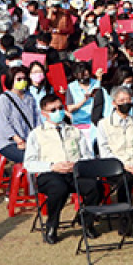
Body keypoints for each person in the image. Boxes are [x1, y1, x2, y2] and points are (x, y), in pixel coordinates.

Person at [24, 94, 102, 245]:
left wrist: (77, 164)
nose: (58, 112)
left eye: (60, 108)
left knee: (95, 186)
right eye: (53, 109)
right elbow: (29, 163)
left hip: (74, 171)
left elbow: (87, 155)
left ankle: (87, 222)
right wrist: (52, 166)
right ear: (44, 113)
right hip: (50, 174)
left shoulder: (74, 131)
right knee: (59, 188)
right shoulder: (36, 134)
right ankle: (52, 225)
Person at [0, 66, 39, 164]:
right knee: (30, 159)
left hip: (29, 140)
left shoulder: (30, 97)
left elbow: (37, 118)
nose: (22, 81)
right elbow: (3, 123)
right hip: (9, 142)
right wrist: (18, 140)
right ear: (11, 80)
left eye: (24, 79)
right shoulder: (4, 99)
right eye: (19, 79)